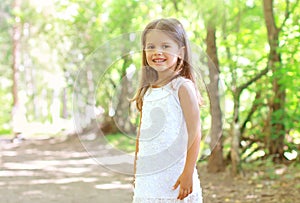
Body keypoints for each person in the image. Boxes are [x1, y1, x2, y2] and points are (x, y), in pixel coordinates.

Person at [131, 18, 203, 202]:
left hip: (175, 175)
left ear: (180, 51)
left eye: (165, 46)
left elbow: (195, 133)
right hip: (149, 177)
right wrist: (137, 169)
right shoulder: (147, 90)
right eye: (151, 46)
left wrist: (188, 172)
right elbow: (142, 135)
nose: (157, 52)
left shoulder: (182, 87)